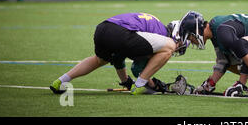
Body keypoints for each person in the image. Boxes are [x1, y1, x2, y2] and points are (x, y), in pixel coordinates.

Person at [49, 12, 190, 96]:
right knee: (169, 47)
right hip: (120, 32)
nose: (176, 49)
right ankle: (138, 86)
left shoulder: (156, 26)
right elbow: (138, 68)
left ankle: (60, 81)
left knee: (99, 60)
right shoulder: (163, 35)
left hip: (102, 29)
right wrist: (152, 84)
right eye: (179, 45)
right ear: (176, 34)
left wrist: (126, 82)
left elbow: (118, 56)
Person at [182, 11, 248, 96]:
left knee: (241, 46)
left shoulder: (222, 31)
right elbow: (223, 62)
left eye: (190, 36)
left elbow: (242, 48)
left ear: (196, 30)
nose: (191, 41)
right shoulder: (215, 31)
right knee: (230, 61)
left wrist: (240, 84)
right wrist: (210, 84)